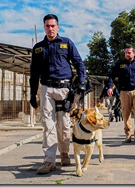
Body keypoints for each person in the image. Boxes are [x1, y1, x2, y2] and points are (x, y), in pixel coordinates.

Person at [29, 14, 86, 174]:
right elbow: (33, 73)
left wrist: (81, 82)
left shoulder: (67, 43)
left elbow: (79, 64)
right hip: (46, 89)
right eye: (47, 26)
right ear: (44, 27)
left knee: (64, 124)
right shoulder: (38, 48)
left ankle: (64, 153)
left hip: (65, 89)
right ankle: (49, 161)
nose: (50, 28)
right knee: (48, 125)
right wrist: (33, 94)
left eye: (53, 26)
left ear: (58, 27)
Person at [107, 46, 135, 144]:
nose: (127, 54)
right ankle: (128, 136)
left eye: (129, 52)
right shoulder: (120, 64)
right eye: (126, 53)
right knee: (126, 114)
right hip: (124, 92)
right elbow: (111, 75)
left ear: (134, 53)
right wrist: (110, 87)